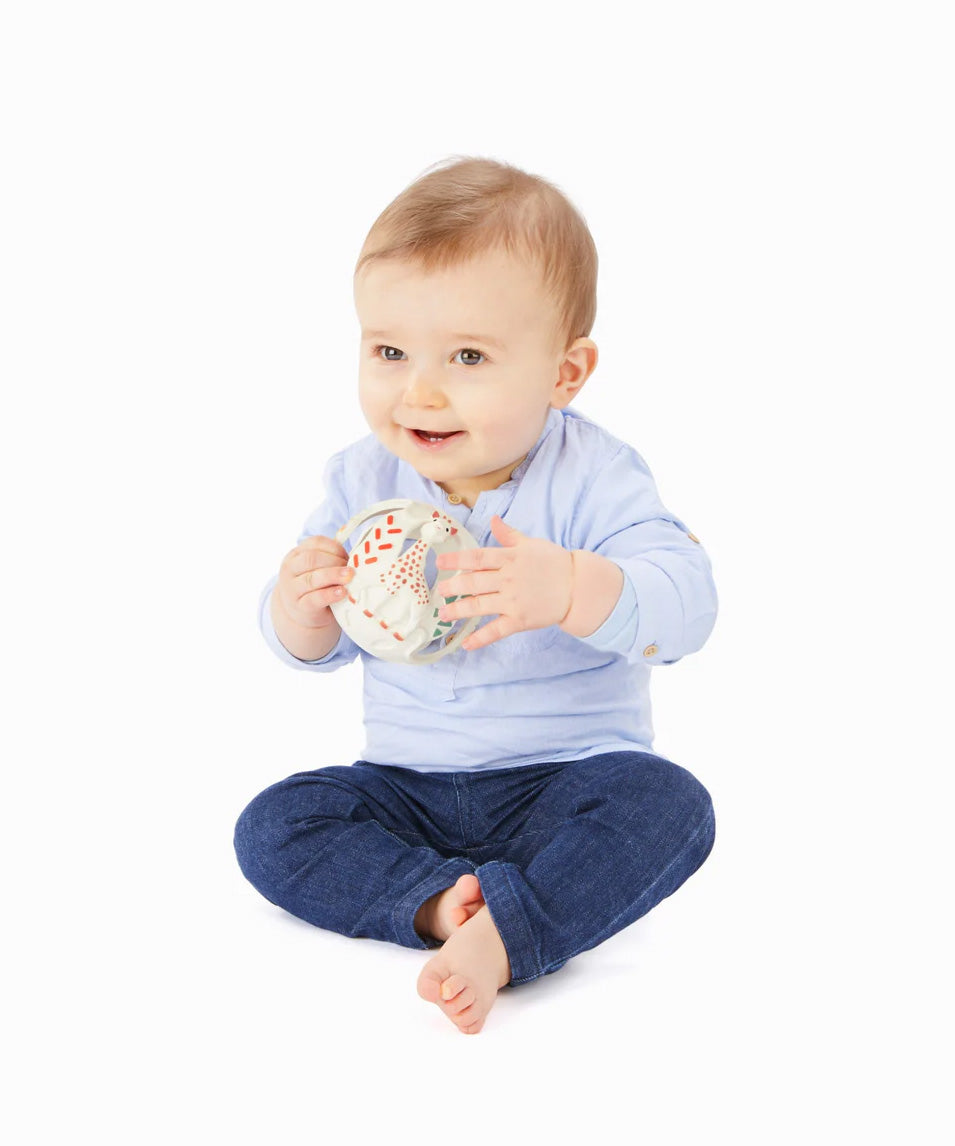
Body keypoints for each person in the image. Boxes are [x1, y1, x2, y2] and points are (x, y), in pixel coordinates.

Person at [234, 157, 718, 1035]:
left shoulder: (594, 478)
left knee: (669, 805)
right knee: (274, 826)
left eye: (467, 356)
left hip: (567, 783)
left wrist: (571, 586)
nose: (419, 390)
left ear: (565, 374)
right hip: (407, 790)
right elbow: (321, 646)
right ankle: (433, 903)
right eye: (388, 351)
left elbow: (688, 606)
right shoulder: (362, 478)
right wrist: (299, 610)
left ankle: (508, 936)